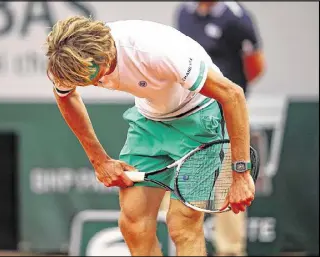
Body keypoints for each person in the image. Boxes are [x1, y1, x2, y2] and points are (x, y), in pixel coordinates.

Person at [44, 16, 255, 256]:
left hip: (199, 118)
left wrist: (240, 173)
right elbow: (66, 96)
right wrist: (99, 160)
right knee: (133, 222)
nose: (89, 83)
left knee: (182, 224)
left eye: (91, 76)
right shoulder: (64, 61)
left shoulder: (156, 50)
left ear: (105, 54)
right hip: (149, 121)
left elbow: (233, 95)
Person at [176, 2, 266, 256]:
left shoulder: (237, 18)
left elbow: (256, 66)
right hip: (188, 113)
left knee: (229, 185)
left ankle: (230, 251)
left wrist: (228, 95)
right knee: (181, 183)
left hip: (226, 114)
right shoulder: (183, 12)